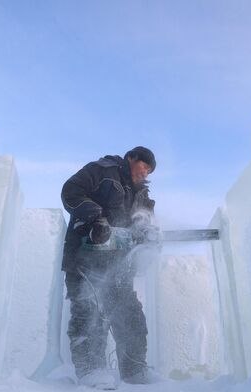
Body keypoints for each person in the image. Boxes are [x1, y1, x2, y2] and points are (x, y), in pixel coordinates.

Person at [60, 146, 158, 389]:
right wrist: (96, 218)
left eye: (149, 171)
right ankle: (91, 372)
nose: (145, 173)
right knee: (88, 311)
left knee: (131, 315)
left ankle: (134, 371)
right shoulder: (103, 172)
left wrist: (147, 233)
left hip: (118, 269)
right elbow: (70, 191)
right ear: (131, 158)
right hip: (85, 260)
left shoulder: (142, 197)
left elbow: (144, 221)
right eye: (144, 166)